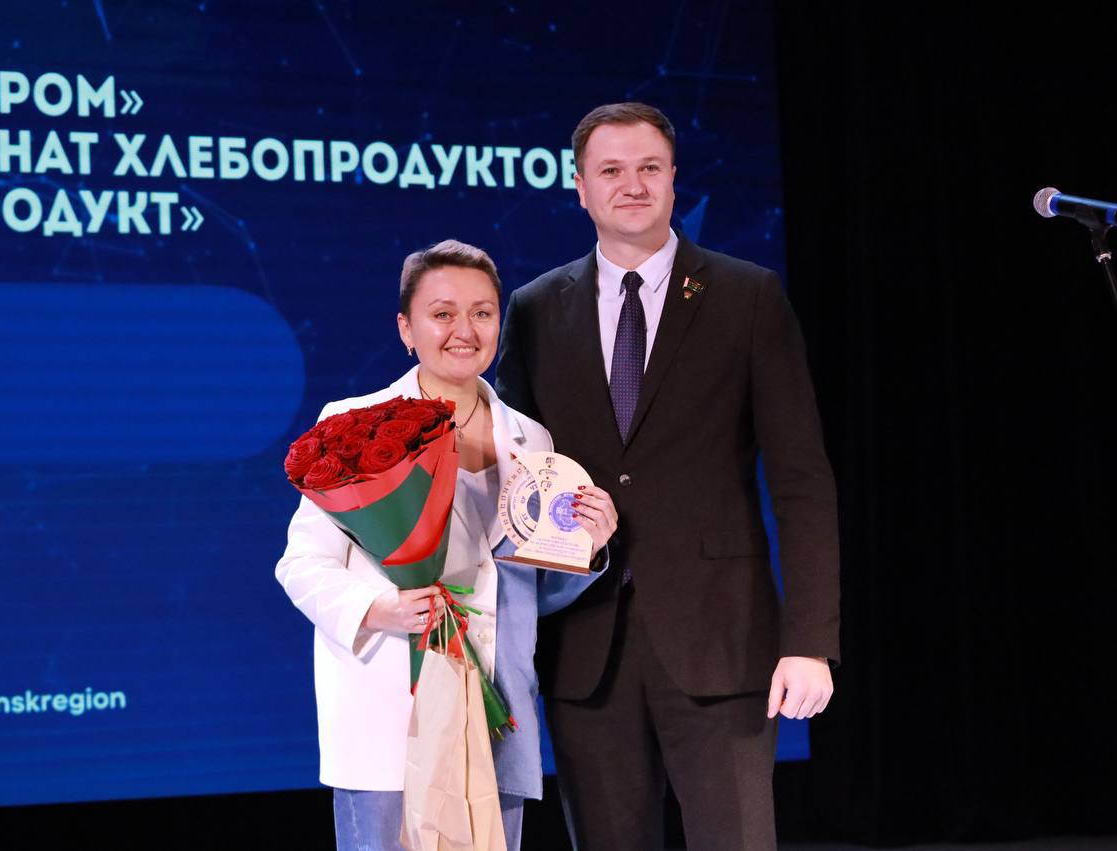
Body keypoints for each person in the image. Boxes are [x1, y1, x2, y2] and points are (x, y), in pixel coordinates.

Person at [495, 103, 840, 850]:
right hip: (584, 651)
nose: (632, 184)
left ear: (674, 179)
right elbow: (513, 482)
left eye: (649, 167)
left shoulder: (747, 296)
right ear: (580, 186)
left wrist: (810, 640)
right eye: (611, 170)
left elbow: (803, 481)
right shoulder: (534, 310)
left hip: (723, 643)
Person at [275, 239, 617, 851]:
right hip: (390, 705)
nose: (465, 330)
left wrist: (586, 548)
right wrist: (377, 609)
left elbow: (526, 593)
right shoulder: (352, 424)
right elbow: (301, 563)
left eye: (482, 313)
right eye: (442, 314)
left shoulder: (532, 440)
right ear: (406, 329)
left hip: (496, 712)